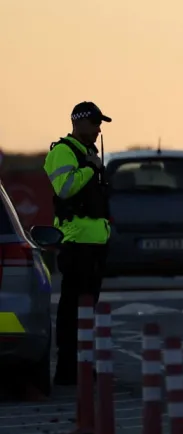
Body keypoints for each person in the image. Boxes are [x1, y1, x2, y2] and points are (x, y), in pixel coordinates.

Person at [43, 102, 112, 385]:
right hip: (76, 243)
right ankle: (68, 370)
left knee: (87, 310)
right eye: (95, 123)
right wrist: (89, 168)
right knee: (73, 309)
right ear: (79, 122)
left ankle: (82, 366)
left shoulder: (89, 153)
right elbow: (66, 187)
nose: (98, 130)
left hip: (94, 243)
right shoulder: (63, 152)